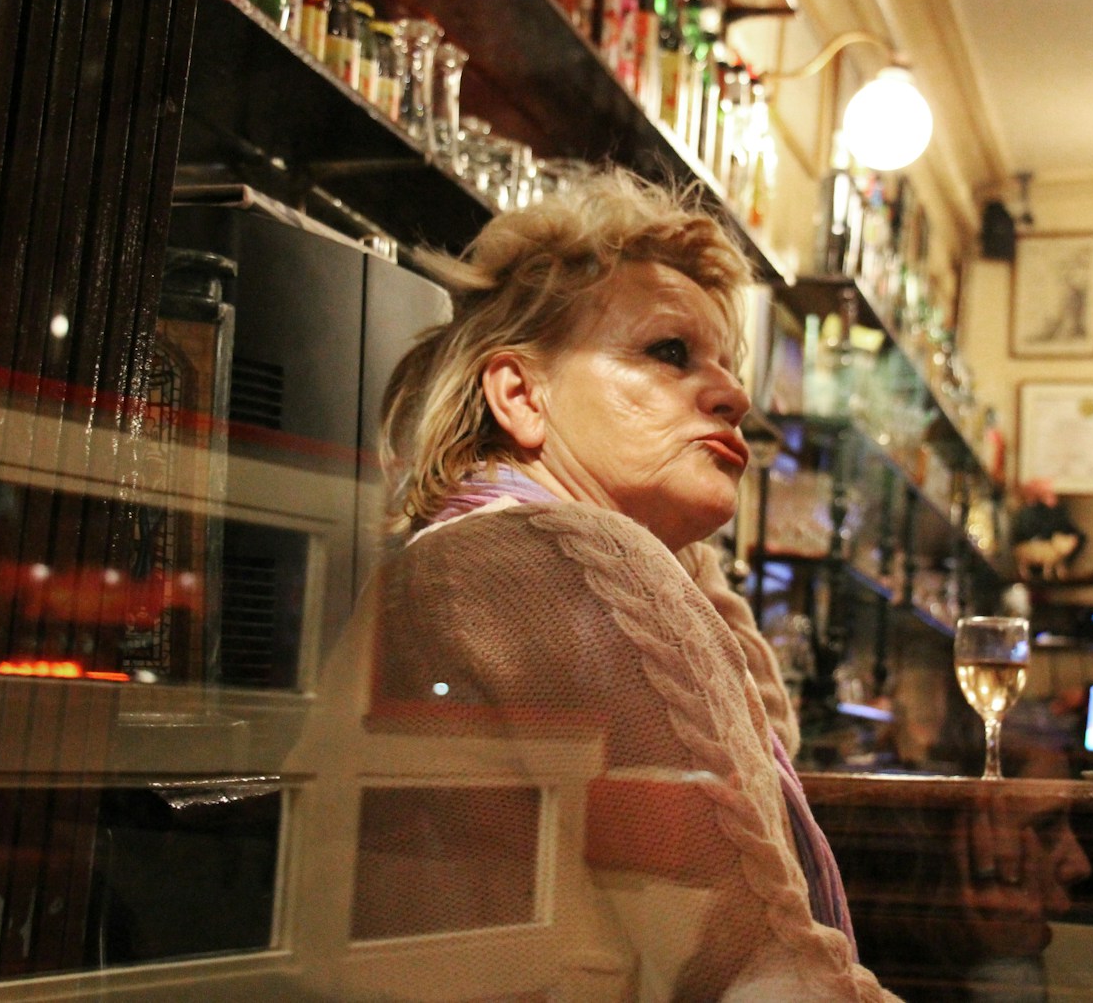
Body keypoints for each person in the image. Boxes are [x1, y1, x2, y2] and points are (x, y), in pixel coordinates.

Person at [365, 169, 893, 1000]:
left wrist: (673, 540)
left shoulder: (482, 546)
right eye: (669, 353)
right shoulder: (549, 556)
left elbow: (754, 752)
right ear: (520, 393)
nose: (736, 396)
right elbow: (755, 959)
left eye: (723, 362)